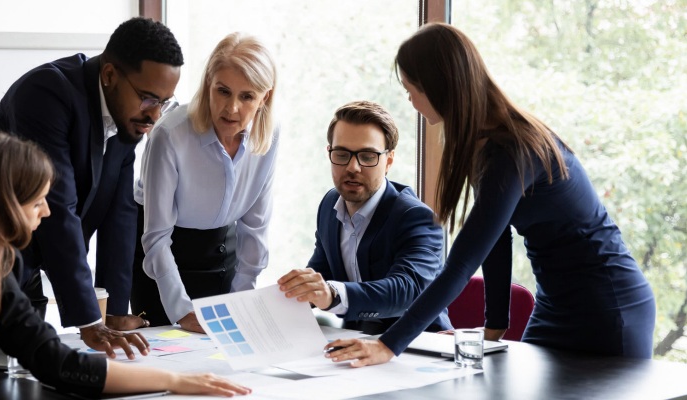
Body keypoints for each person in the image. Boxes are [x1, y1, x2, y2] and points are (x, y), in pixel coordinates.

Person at [326, 22, 656, 365]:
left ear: (440, 86)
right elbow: (497, 240)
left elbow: (462, 263)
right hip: (556, 306)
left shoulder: (511, 150)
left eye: (413, 89)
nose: (410, 100)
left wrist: (388, 345)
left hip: (609, 308)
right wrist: (494, 327)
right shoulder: (483, 143)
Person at [0, 134, 251, 398]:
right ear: (5, 207)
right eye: (37, 203)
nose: (47, 211)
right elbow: (60, 365)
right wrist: (174, 380)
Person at [0, 17, 183, 353]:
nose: (155, 115)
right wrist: (91, 321)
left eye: (164, 102)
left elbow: (121, 213)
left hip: (26, 272)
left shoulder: (125, 118)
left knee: (27, 374)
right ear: (110, 75)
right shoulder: (47, 94)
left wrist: (115, 312)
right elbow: (59, 209)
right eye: (148, 99)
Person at [132, 32, 278, 333]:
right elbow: (156, 238)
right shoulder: (169, 135)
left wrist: (241, 301)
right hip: (162, 266)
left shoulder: (269, 137)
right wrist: (183, 312)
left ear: (265, 97)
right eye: (223, 91)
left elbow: (255, 229)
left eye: (247, 96)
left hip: (224, 260)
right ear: (207, 83)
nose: (232, 108)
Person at [277, 101, 451, 335]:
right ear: (329, 153)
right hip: (352, 345)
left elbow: (406, 290)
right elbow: (321, 274)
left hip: (416, 347)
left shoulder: (416, 217)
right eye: (342, 154)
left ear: (388, 161)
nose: (353, 167)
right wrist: (277, 301)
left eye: (367, 157)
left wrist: (333, 295)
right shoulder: (330, 204)